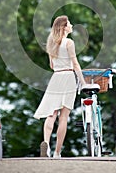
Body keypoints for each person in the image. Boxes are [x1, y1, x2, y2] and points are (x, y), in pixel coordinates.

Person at [33, 15, 87, 158]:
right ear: (64, 27)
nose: (71, 25)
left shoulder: (51, 43)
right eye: (69, 23)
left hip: (56, 78)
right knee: (63, 118)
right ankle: (57, 152)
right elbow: (75, 64)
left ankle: (46, 143)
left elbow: (51, 65)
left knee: (51, 114)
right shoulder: (69, 43)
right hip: (68, 78)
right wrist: (83, 82)